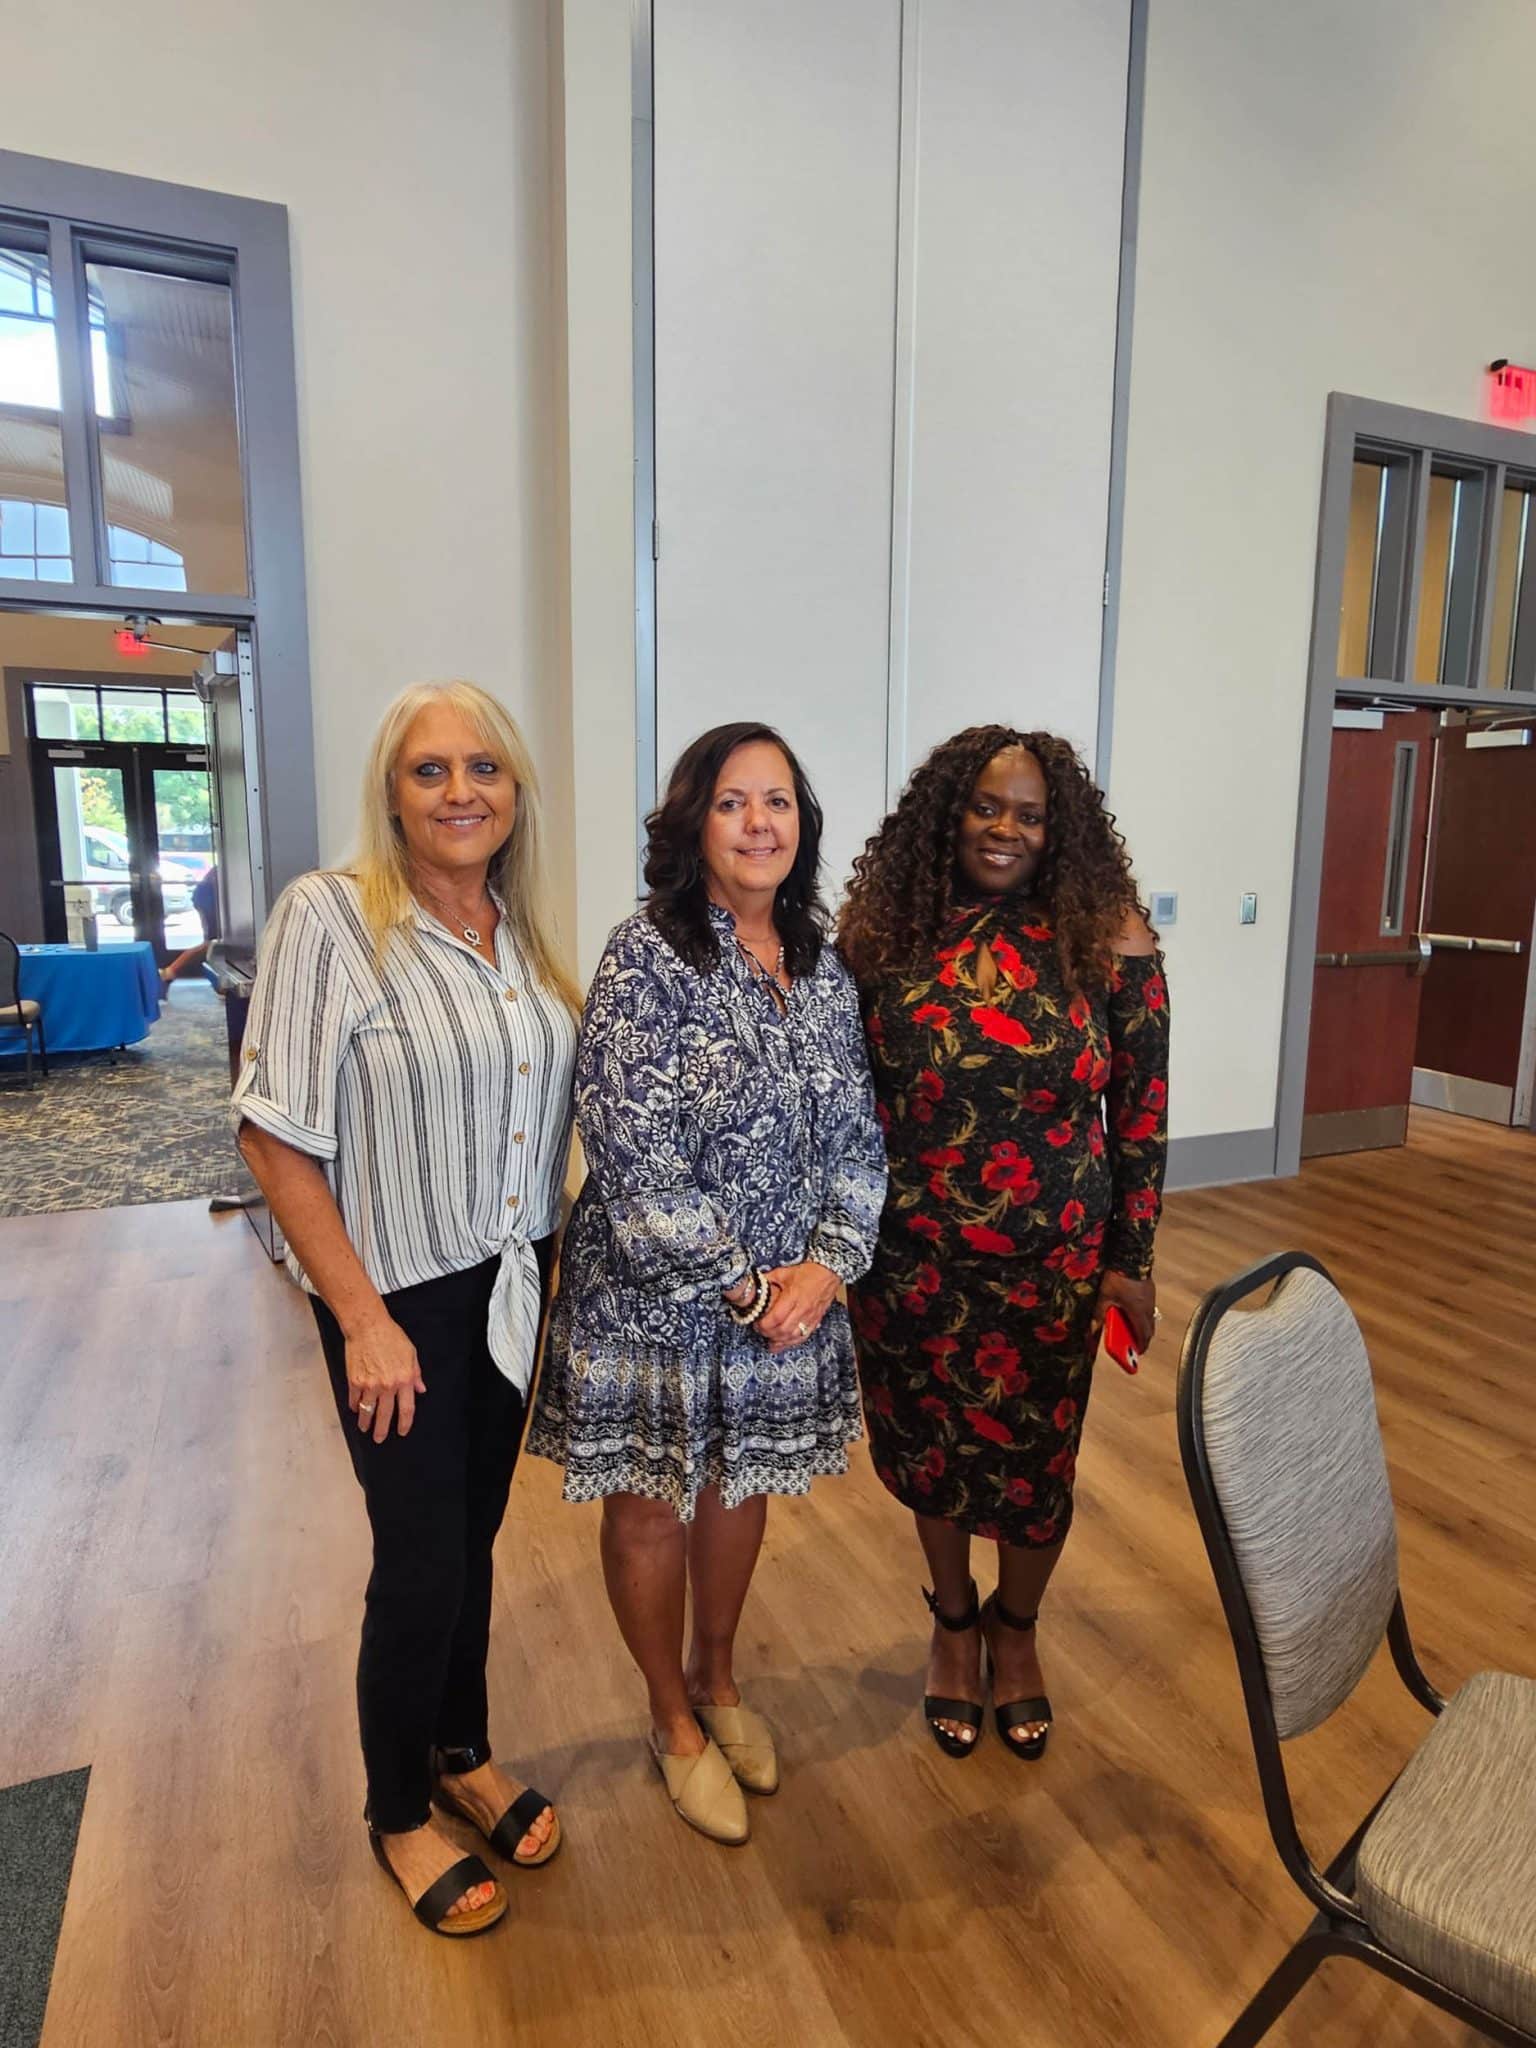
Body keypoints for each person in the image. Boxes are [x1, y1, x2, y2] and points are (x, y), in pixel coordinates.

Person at [233, 681, 580, 1936]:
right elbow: (274, 1134)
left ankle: (462, 1749)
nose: (460, 791)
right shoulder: (332, 916)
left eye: (484, 767)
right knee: (422, 1554)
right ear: (391, 792)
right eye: (430, 770)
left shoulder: (521, 934)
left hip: (513, 1279)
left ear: (515, 790)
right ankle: (396, 1809)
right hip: (398, 1299)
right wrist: (361, 1318)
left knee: (472, 1537)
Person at [528, 722, 886, 1846]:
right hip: (657, 1293)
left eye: (777, 801)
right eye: (733, 802)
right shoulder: (648, 954)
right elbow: (628, 1144)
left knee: (742, 1484)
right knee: (651, 1501)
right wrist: (744, 1286)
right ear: (694, 823)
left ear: (801, 825)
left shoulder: (823, 967)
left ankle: (718, 1677)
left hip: (788, 1299)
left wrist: (827, 1266)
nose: (758, 823)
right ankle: (670, 1717)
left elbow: (859, 1137)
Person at [838, 725, 1169, 1762]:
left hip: (1052, 1268)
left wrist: (1133, 1258)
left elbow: (1142, 1109)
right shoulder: (885, 933)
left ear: (1059, 830)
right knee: (931, 1451)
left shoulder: (1109, 938)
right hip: (910, 1261)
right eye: (986, 806)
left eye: (1029, 814)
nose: (1005, 829)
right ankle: (952, 1619)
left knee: (1036, 1468)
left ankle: (1014, 1631)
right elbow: (842, 1103)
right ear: (950, 812)